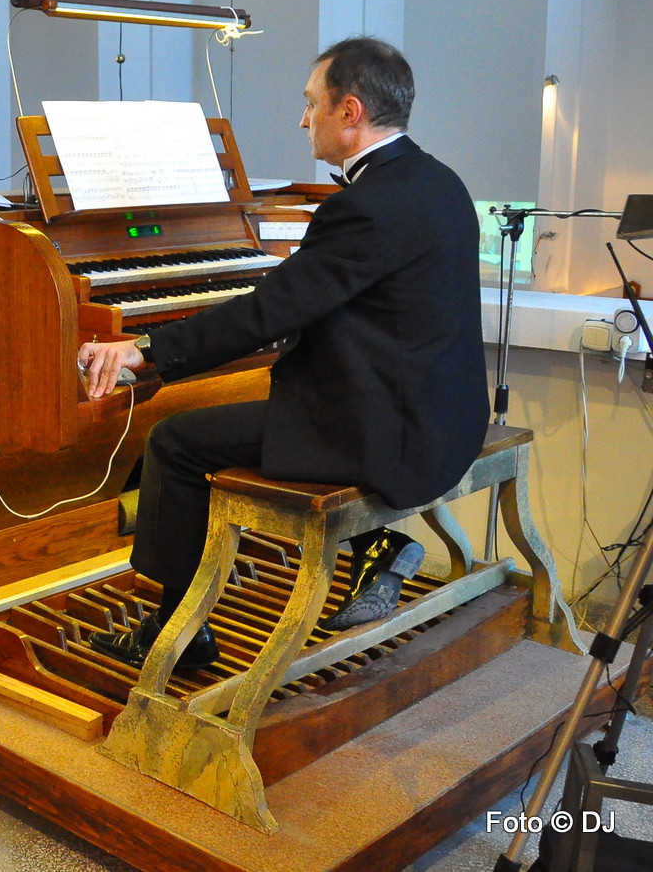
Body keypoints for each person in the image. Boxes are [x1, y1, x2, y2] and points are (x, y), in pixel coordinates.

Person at [77, 36, 488, 669]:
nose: (303, 120)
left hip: (389, 431)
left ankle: (178, 634)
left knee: (174, 442)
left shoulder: (367, 205)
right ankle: (373, 548)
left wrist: (146, 347)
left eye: (311, 104)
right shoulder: (438, 180)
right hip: (441, 412)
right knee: (261, 402)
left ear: (349, 112)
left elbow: (269, 311)